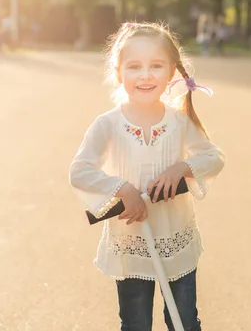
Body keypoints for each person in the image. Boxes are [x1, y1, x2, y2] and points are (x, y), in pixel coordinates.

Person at [69, 22, 225, 331]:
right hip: (132, 244)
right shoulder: (108, 124)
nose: (145, 75)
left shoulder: (179, 123)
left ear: (170, 73)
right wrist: (121, 188)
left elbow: (213, 157)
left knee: (184, 322)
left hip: (176, 239)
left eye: (156, 66)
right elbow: (80, 170)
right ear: (119, 72)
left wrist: (182, 167)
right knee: (136, 323)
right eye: (134, 67)